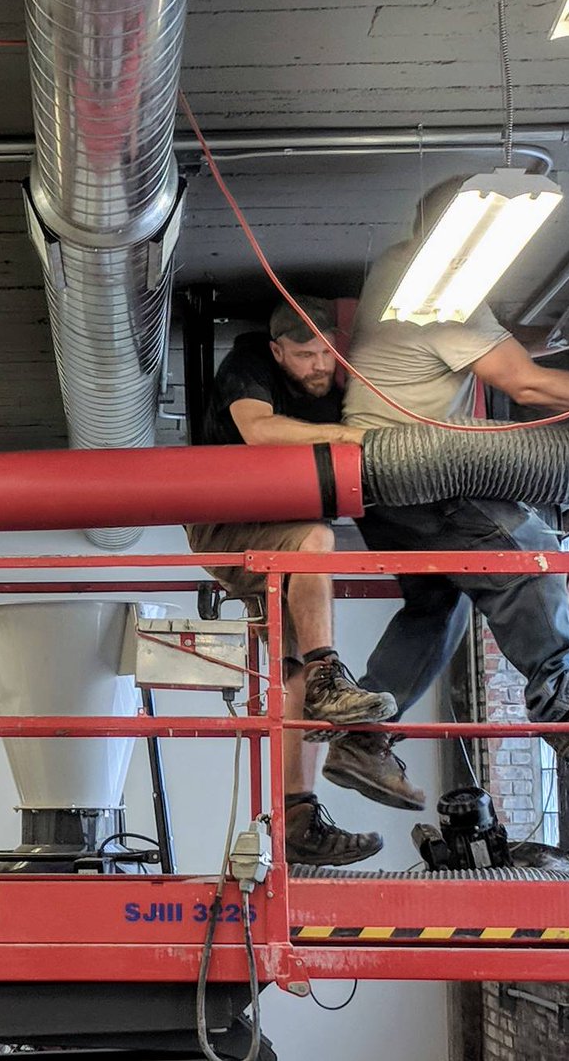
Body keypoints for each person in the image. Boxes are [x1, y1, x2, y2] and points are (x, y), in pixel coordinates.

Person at [332, 180, 569, 808]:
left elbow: (503, 350)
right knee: (528, 553)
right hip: (422, 472)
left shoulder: (400, 273)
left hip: (379, 486)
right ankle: (565, 702)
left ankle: (361, 739)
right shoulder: (440, 295)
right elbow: (526, 384)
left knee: (440, 605)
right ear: (457, 240)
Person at [186, 297, 397, 865]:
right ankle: (330, 673)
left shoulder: (339, 374)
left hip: (277, 527)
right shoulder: (249, 364)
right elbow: (257, 430)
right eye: (305, 357)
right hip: (225, 525)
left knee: (292, 667)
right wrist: (345, 435)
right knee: (316, 541)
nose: (319, 368)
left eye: (327, 354)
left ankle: (298, 816)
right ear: (279, 352)